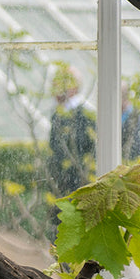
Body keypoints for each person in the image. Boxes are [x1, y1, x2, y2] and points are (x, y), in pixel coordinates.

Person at [47, 65, 95, 199]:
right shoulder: (58, 114)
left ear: (73, 87)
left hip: (78, 187)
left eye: (60, 84)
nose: (55, 89)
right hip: (60, 186)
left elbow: (88, 153)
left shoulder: (86, 115)